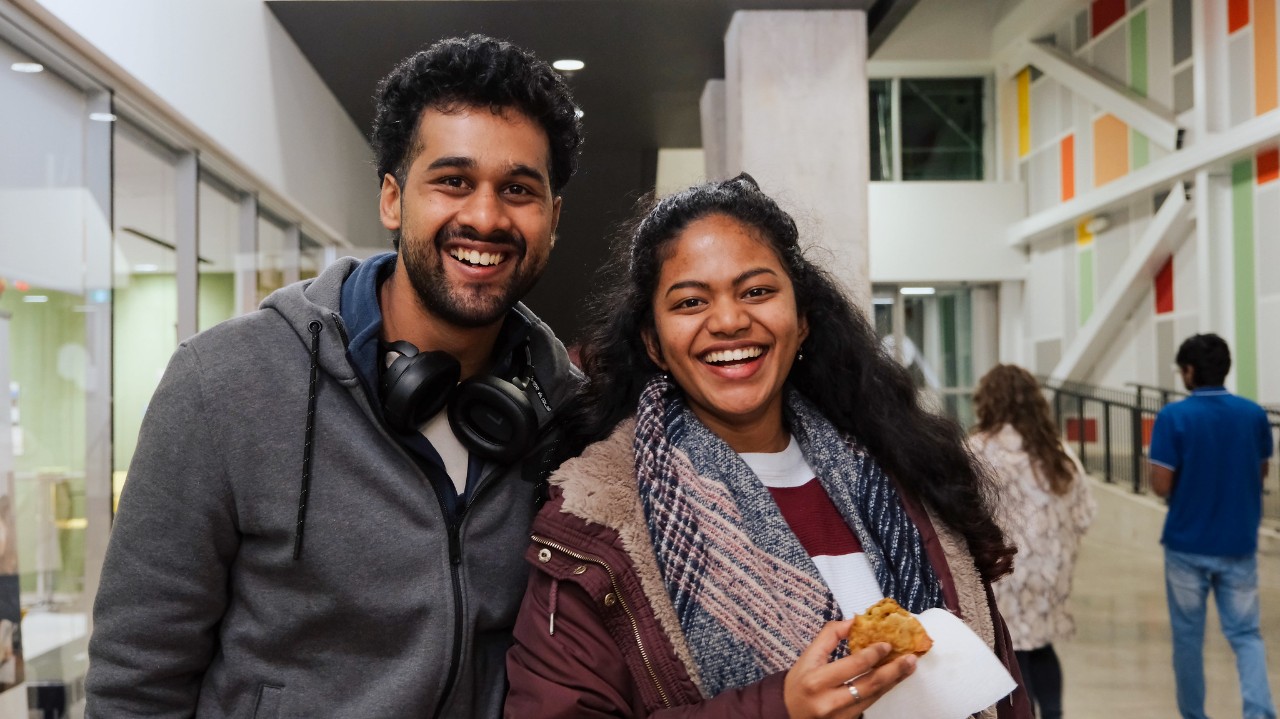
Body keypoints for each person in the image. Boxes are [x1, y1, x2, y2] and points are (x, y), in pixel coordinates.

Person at [85, 35, 583, 718]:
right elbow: (134, 683)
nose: (485, 216)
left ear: (552, 220)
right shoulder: (223, 382)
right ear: (391, 198)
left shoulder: (571, 417)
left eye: (519, 189)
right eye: (453, 180)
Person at [505, 174, 1032, 718]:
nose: (730, 321)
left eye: (757, 291)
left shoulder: (903, 475)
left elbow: (999, 687)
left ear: (802, 321)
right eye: (690, 302)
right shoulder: (599, 518)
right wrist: (777, 710)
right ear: (654, 343)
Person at [1148, 333, 1276, 719]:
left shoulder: (1173, 417)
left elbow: (1160, 484)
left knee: (1188, 639)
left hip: (1187, 544)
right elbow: (1262, 470)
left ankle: (1194, 715)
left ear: (1189, 371)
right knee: (1246, 635)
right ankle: (1260, 712)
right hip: (1239, 541)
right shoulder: (1253, 414)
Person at [969, 364, 1096, 719]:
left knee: (1012, 653)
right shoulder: (1058, 453)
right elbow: (1085, 515)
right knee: (1039, 647)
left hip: (1001, 571)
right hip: (1048, 572)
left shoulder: (976, 450)